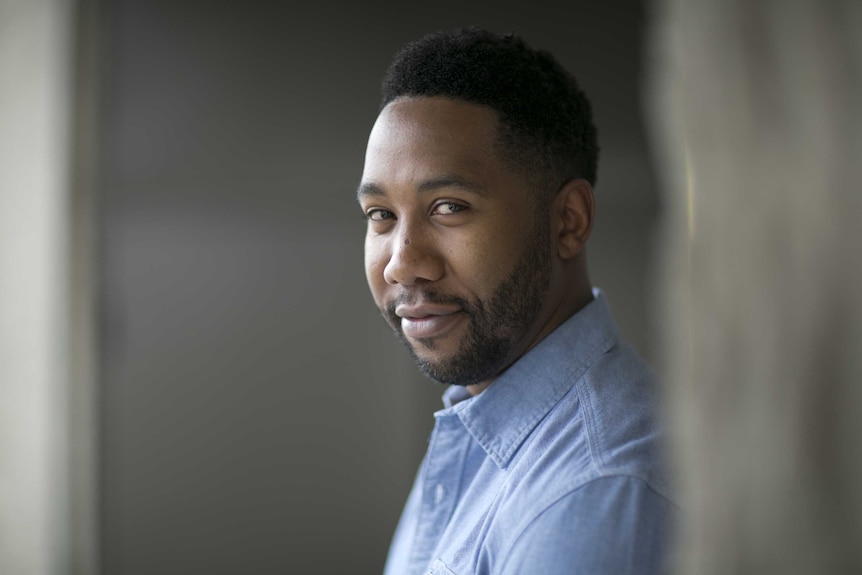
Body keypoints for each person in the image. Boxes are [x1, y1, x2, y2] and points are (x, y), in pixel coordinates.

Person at [357, 27, 674, 575]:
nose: (401, 263)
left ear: (568, 221)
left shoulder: (594, 491)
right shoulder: (479, 424)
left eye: (449, 207)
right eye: (380, 215)